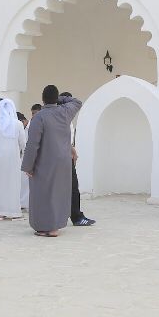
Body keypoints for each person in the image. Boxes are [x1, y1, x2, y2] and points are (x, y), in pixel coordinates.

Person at [22, 85, 83, 237]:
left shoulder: (39, 117)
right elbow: (77, 101)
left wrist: (28, 166)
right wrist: (60, 99)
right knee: (58, 194)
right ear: (56, 98)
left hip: (44, 162)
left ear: (42, 99)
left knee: (43, 195)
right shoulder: (65, 112)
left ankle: (48, 227)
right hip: (64, 162)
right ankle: (56, 225)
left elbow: (32, 144)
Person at [0, 98, 26, 220]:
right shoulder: (18, 124)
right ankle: (13, 211)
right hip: (13, 158)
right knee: (13, 183)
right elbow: (23, 143)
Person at [61, 91, 95, 226]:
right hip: (64, 158)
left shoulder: (61, 118)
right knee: (73, 188)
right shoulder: (62, 118)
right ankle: (76, 217)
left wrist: (72, 149)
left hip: (64, 156)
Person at [18, 111, 30, 211]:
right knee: (22, 181)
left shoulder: (31, 128)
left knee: (26, 182)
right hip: (22, 158)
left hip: (29, 157)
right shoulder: (22, 128)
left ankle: (25, 203)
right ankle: (22, 203)